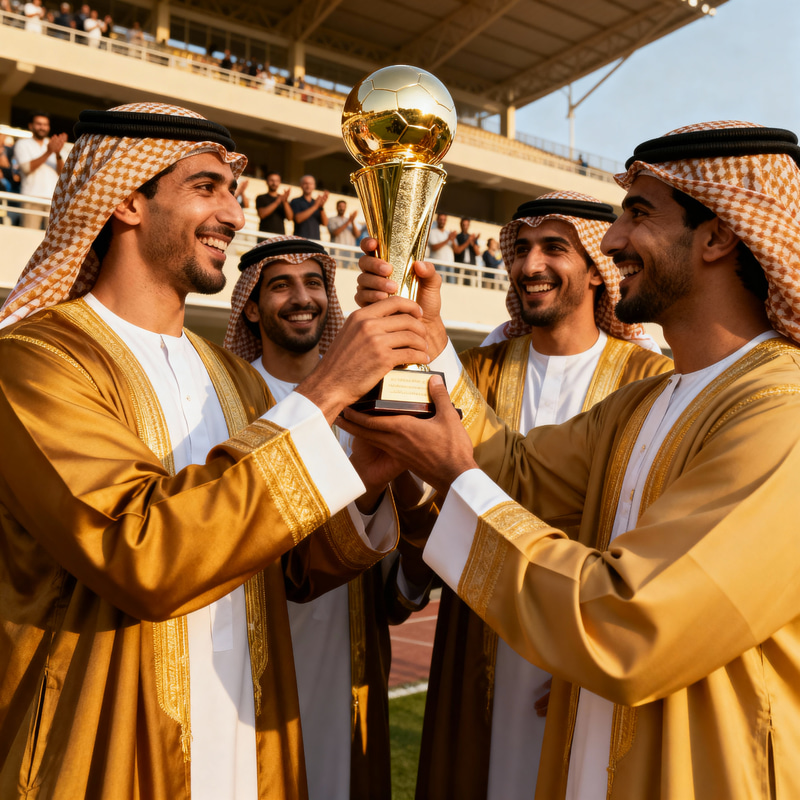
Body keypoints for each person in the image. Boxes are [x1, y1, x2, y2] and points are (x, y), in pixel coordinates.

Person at [345, 121, 800, 799]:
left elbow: (632, 625)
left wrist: (455, 474)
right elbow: (519, 474)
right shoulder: (645, 403)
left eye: (639, 214)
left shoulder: (780, 412)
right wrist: (429, 343)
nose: (613, 240)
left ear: (719, 235)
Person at [0, 102, 432, 799]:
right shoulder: (36, 363)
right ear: (127, 200)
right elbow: (141, 553)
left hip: (249, 734)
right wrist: (322, 392)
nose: (234, 214)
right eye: (207, 187)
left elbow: (289, 568)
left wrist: (369, 476)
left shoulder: (232, 379)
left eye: (235, 191)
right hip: (109, 743)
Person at [410, 192, 672, 800]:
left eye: (556, 248)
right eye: (521, 248)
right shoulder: (474, 370)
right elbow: (434, 494)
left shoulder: (649, 381)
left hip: (590, 644)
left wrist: (598, 654)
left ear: (596, 268)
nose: (531, 266)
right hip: (477, 633)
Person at [225, 236, 425, 799]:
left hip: (349, 625)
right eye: (281, 285)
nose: (301, 298)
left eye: (313, 283)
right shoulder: (229, 396)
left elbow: (412, 515)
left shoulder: (367, 395)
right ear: (250, 304)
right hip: (255, 629)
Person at [13, 112, 67, 230]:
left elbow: (64, 174)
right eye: (39, 124)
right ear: (31, 126)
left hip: (53, 201)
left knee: (51, 241)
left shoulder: (54, 144)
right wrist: (48, 152)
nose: (42, 127)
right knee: (28, 237)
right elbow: (26, 168)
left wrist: (57, 153)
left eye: (45, 124)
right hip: (31, 198)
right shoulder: (22, 144)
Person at [290, 175, 328, 240]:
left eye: (311, 184)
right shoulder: (296, 201)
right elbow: (298, 219)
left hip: (315, 241)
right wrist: (315, 206)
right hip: (299, 240)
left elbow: (325, 223)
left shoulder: (316, 202)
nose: (308, 186)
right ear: (301, 185)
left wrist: (321, 207)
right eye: (306, 183)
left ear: (314, 186)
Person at [327, 199, 361, 269]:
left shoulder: (351, 220)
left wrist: (352, 221)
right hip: (336, 255)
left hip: (349, 255)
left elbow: (357, 235)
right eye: (340, 206)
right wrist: (349, 221)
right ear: (336, 207)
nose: (342, 208)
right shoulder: (331, 219)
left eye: (343, 206)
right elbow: (334, 233)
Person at [426, 212, 456, 282]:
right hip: (439, 264)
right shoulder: (432, 232)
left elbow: (456, 250)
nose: (442, 221)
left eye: (444, 220)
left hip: (450, 263)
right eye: (440, 219)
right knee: (440, 284)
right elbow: (434, 247)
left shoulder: (448, 233)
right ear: (437, 220)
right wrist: (448, 239)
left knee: (451, 286)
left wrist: (453, 239)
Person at [453, 217, 481, 285]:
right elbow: (457, 250)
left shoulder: (472, 238)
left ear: (469, 226)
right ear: (460, 225)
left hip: (471, 266)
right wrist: (468, 241)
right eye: (463, 225)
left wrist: (474, 242)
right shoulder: (457, 237)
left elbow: (478, 253)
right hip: (460, 266)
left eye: (466, 225)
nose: (465, 227)